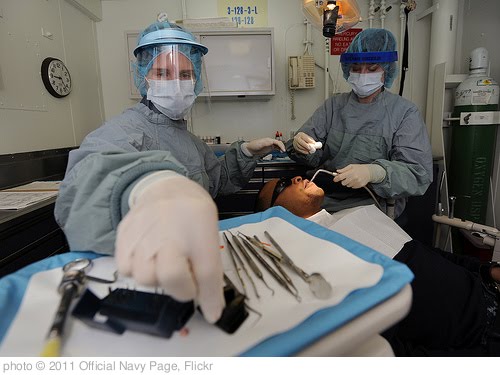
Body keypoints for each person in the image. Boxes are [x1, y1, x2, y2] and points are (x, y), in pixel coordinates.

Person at [54, 19, 285, 324]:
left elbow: (217, 181)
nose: (176, 83)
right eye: (163, 73)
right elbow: (78, 189)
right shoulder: (124, 131)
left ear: (197, 79)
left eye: (185, 74)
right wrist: (142, 186)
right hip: (143, 274)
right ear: (143, 76)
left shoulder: (188, 140)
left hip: (195, 261)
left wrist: (245, 152)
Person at [256, 176, 500, 356]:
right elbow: (386, 347)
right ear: (274, 215)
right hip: (477, 337)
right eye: (283, 185)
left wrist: (487, 270)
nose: (297, 178)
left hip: (486, 290)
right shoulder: (311, 261)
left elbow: (427, 253)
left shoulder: (358, 213)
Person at [286, 28, 433, 225]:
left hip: (375, 209)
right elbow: (310, 154)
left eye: (372, 69)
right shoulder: (333, 106)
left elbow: (418, 174)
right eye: (356, 68)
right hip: (326, 203)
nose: (363, 75)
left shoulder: (404, 113)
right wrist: (299, 145)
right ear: (348, 69)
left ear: (386, 70)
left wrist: (376, 173)